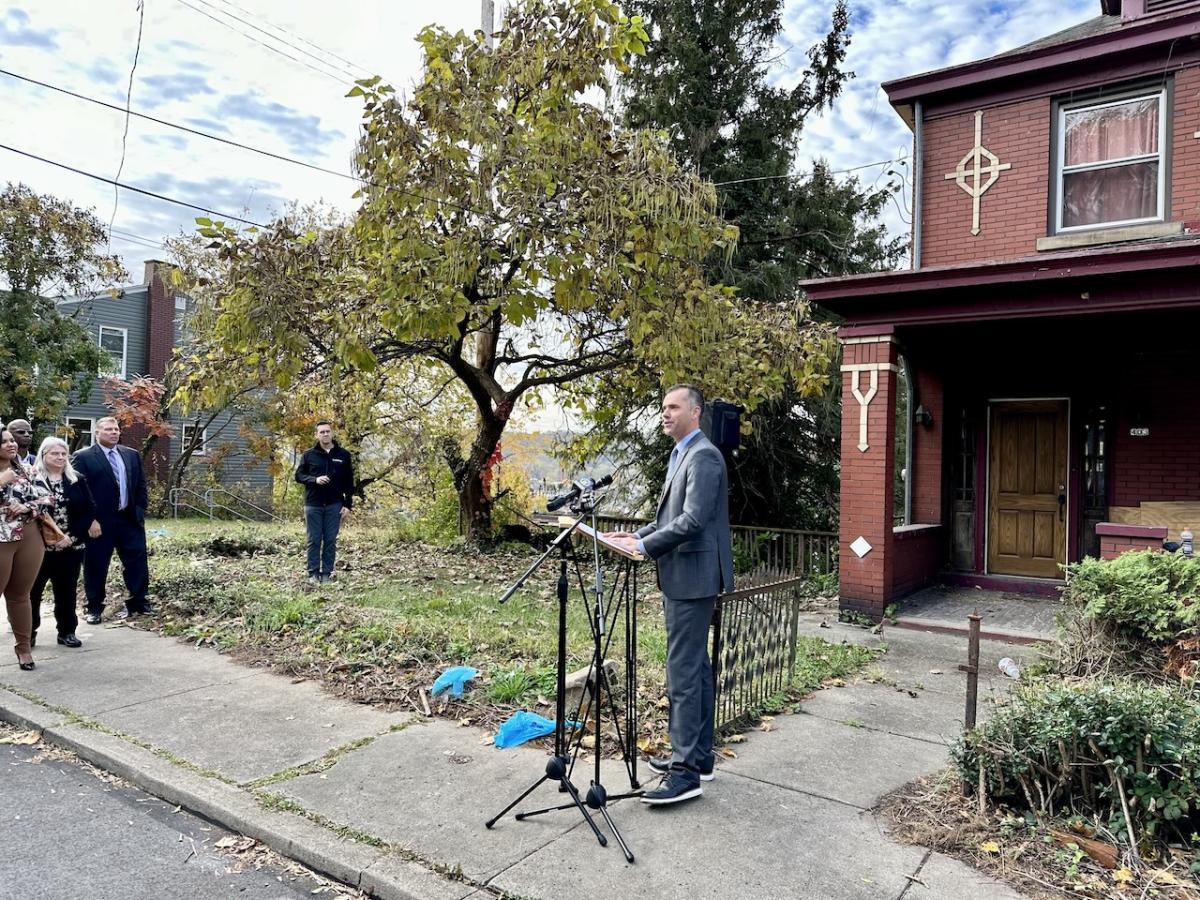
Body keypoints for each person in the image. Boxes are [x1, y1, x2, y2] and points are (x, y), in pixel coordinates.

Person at [605, 384, 733, 806]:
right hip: (683, 575)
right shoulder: (680, 454)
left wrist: (645, 548)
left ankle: (685, 774)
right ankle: (700, 758)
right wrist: (635, 535)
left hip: (694, 579)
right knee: (695, 669)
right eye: (662, 407)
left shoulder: (705, 457)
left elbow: (694, 519)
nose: (665, 413)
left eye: (673, 407)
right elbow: (670, 517)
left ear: (695, 412)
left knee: (682, 672)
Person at [72, 416, 153, 623]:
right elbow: (79, 492)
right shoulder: (84, 457)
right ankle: (94, 607)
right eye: (108, 429)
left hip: (129, 519)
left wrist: (140, 509)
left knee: (137, 561)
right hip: (99, 522)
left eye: (116, 429)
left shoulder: (131, 455)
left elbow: (140, 485)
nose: (114, 432)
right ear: (97, 433)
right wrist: (90, 520)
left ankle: (139, 602)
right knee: (96, 565)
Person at [30, 437, 97, 648]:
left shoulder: (76, 478)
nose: (60, 457)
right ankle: (28, 631)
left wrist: (72, 536)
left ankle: (67, 631)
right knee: (33, 592)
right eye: (54, 454)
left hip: (71, 545)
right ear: (43, 455)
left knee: (66, 591)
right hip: (38, 548)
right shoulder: (33, 479)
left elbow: (90, 508)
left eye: (63, 454)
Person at [0, 428, 47, 670]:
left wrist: (26, 507)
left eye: (11, 440)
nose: (11, 444)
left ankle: (24, 648)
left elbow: (47, 498)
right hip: (1, 538)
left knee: (20, 595)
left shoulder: (27, 469)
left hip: (28, 536)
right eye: (4, 441)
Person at [295, 422, 354, 585]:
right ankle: (313, 573)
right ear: (317, 435)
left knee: (330, 540)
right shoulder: (309, 455)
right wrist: (315, 480)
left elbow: (349, 482)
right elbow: (299, 476)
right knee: (314, 539)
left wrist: (348, 505)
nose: (325, 434)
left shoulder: (343, 455)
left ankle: (327, 574)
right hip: (313, 504)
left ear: (332, 433)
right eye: (322, 432)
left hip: (334, 504)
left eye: (328, 431)